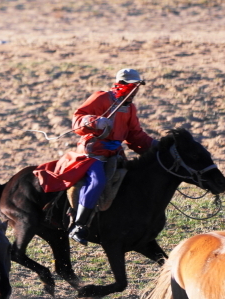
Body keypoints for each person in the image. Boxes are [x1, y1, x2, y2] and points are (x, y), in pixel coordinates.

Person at [42, 69, 158, 245]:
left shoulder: (130, 108)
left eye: (137, 87)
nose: (135, 90)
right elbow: (78, 119)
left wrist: (156, 145)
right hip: (93, 152)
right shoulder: (102, 98)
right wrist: (95, 121)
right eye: (132, 86)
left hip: (114, 154)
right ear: (121, 84)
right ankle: (78, 225)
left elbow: (135, 136)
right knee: (97, 181)